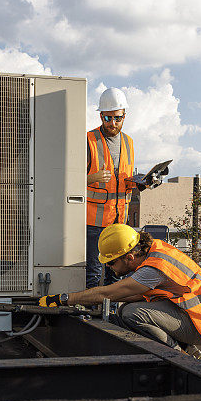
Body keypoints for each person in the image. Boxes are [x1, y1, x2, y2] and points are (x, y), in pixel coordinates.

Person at [40, 224, 201, 348]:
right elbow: (131, 295)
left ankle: (177, 356)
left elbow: (109, 293)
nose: (108, 267)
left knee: (132, 313)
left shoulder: (153, 269)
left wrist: (63, 299)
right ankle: (185, 347)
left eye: (111, 262)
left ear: (129, 257)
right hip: (198, 316)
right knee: (127, 308)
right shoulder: (155, 250)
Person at [86, 87, 136, 289]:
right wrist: (91, 178)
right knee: (94, 273)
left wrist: (142, 183)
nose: (112, 124)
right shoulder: (89, 140)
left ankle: (111, 314)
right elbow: (66, 181)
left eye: (117, 118)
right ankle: (87, 314)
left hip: (120, 221)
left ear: (124, 116)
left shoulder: (129, 142)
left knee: (117, 274)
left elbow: (124, 180)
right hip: (94, 223)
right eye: (107, 118)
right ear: (100, 116)